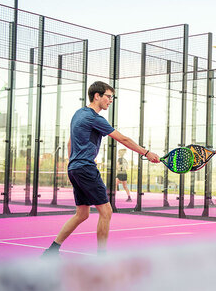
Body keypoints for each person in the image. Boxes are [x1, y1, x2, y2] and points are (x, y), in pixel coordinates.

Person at [42, 81, 160, 256]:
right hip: (85, 168)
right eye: (108, 96)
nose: (111, 100)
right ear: (97, 96)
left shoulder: (78, 114)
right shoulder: (94, 118)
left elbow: (69, 143)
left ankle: (51, 251)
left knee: (82, 214)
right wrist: (146, 152)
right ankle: (101, 258)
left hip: (75, 168)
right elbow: (123, 139)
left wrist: (72, 165)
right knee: (106, 211)